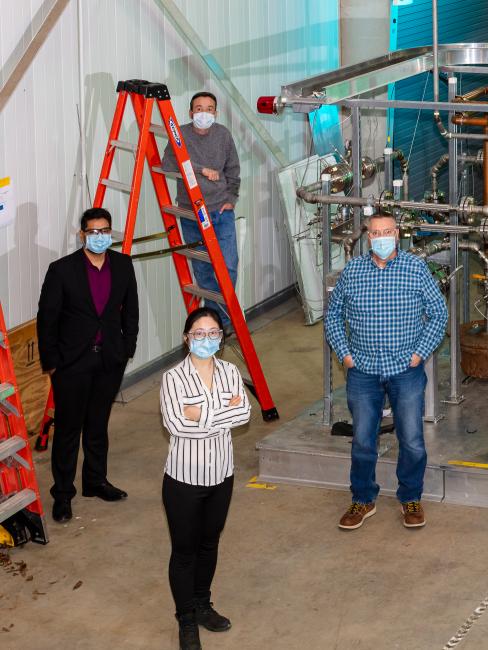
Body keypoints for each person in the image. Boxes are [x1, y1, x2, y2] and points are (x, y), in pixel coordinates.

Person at [324, 213, 448, 530]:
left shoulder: (415, 268)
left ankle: (410, 497)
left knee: (412, 440)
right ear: (368, 236)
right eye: (375, 232)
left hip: (405, 370)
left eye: (387, 231)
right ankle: (363, 499)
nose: (381, 237)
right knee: (363, 440)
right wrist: (346, 355)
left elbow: (438, 313)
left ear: (397, 234)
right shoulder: (353, 271)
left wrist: (420, 353)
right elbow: (333, 316)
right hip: (363, 371)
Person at [37, 207, 139, 523]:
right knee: (68, 429)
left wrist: (126, 348)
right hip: (71, 363)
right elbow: (47, 319)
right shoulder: (62, 270)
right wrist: (52, 362)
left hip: (109, 359)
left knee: (98, 425)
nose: (100, 237)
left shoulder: (122, 265)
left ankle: (95, 482)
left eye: (105, 231)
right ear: (82, 235)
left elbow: (130, 312)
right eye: (93, 232)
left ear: (111, 232)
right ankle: (63, 494)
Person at [160, 307, 251, 649]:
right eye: (199, 333)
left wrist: (200, 412)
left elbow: (243, 414)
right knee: (184, 552)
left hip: (221, 476)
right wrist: (221, 412)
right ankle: (185, 619)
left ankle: (201, 604)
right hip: (184, 480)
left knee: (209, 544)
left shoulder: (230, 371)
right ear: (187, 338)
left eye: (213, 333)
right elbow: (176, 425)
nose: (206, 339)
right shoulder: (173, 378)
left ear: (221, 338)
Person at [161, 91, 241, 328]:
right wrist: (201, 169)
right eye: (199, 108)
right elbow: (168, 162)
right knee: (203, 272)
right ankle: (214, 323)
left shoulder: (223, 135)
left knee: (228, 267)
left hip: (220, 211)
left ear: (215, 113)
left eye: (209, 109)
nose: (203, 113)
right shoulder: (181, 135)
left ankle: (221, 321)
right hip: (191, 214)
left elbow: (233, 169)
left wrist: (232, 198)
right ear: (190, 112)